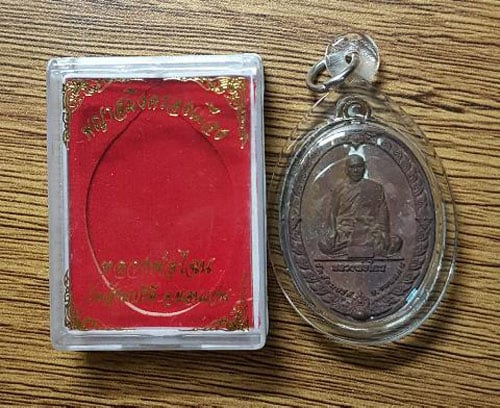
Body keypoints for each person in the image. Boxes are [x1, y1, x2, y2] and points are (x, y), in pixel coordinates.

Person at [318, 154, 402, 258]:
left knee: (396, 241)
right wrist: (332, 231)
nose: (355, 170)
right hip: (346, 232)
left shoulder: (375, 187)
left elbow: (382, 211)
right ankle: (366, 251)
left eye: (359, 166)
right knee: (324, 244)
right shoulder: (339, 189)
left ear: (364, 167)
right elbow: (332, 213)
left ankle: (350, 251)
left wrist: (384, 232)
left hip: (369, 230)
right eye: (352, 167)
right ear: (346, 169)